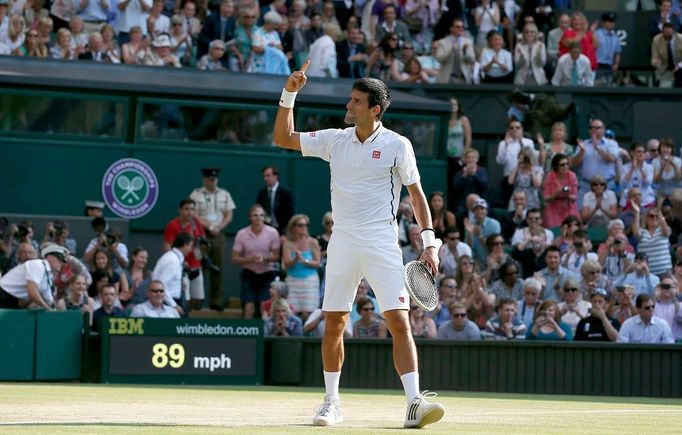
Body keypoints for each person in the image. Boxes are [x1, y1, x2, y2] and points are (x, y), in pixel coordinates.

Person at [273, 68, 445, 427]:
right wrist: (289, 93)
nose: (349, 105)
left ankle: (414, 402)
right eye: (351, 99)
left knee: (398, 321)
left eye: (356, 101)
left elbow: (416, 196)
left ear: (375, 109)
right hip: (343, 241)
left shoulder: (399, 145)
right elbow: (283, 137)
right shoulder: (335, 139)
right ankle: (331, 402)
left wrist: (430, 244)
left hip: (383, 242)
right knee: (334, 321)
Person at [190, 167, 236, 310]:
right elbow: (194, 214)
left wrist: (219, 227)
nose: (213, 182)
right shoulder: (196, 194)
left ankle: (216, 301)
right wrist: (209, 227)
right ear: (204, 180)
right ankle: (197, 300)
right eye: (210, 179)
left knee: (218, 267)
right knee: (199, 267)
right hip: (201, 234)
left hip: (219, 235)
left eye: (215, 179)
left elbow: (229, 214)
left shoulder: (225, 194)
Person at [232, 204, 281, 319]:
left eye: (261, 215)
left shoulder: (273, 232)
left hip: (267, 273)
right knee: (249, 305)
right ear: (250, 218)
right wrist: (250, 259)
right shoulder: (241, 234)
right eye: (255, 215)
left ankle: (264, 333)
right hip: (249, 273)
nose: (258, 218)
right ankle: (246, 333)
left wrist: (265, 258)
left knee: (264, 306)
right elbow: (234, 258)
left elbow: (276, 255)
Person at [0, 244, 67, 309]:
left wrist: (57, 300)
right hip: (3, 294)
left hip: (13, 301)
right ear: (49, 257)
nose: (62, 263)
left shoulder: (48, 277)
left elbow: (49, 301)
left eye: (63, 261)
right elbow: (32, 292)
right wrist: (48, 309)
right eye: (59, 259)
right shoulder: (38, 265)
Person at [571, 119, 619, 208]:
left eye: (597, 128)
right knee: (582, 214)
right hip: (586, 186)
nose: (594, 130)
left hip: (606, 186)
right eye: (591, 127)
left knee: (607, 214)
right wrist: (581, 152)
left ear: (603, 130)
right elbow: (573, 163)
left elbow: (612, 158)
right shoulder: (583, 144)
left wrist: (597, 147)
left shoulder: (611, 144)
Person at [282, 214, 321, 322]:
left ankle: (308, 337)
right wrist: (296, 259)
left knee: (308, 312)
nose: (304, 228)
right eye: (300, 225)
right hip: (292, 280)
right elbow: (287, 263)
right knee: (292, 311)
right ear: (293, 227)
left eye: (306, 225)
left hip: (309, 281)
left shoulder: (313, 242)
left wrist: (305, 261)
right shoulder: (287, 244)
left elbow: (318, 263)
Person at [152, 232, 193, 316]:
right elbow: (161, 286)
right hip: (168, 304)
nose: (191, 250)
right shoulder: (172, 261)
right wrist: (174, 305)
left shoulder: (175, 259)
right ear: (185, 245)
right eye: (190, 246)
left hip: (172, 302)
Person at [632, 206, 673, 276]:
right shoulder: (642, 232)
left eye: (657, 216)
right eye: (651, 216)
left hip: (665, 271)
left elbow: (667, 231)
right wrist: (637, 212)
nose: (654, 218)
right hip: (647, 272)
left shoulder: (662, 230)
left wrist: (660, 214)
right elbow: (636, 233)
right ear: (646, 218)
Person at [433, 18, 475, 84]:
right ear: (451, 28)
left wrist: (465, 53)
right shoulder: (443, 42)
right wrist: (451, 50)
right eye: (458, 27)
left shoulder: (468, 42)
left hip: (464, 78)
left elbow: (472, 60)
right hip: (448, 78)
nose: (460, 29)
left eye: (462, 27)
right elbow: (439, 59)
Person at [256, 165, 295, 235]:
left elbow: (290, 214)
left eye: (268, 176)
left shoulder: (286, 193)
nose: (265, 178)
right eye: (264, 176)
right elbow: (258, 210)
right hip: (265, 228)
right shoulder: (262, 193)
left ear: (276, 176)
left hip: (282, 229)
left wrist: (285, 231)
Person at [542, 153, 578, 228]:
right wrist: (556, 193)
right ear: (556, 166)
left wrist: (567, 194)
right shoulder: (550, 176)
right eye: (562, 165)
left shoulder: (572, 176)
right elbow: (546, 198)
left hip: (568, 205)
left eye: (567, 164)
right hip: (553, 206)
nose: (565, 166)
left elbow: (575, 197)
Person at [464, 198, 501, 267]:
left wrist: (480, 235)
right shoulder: (470, 225)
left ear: (486, 211)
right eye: (477, 209)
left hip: (493, 258)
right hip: (476, 260)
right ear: (473, 212)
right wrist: (469, 234)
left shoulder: (495, 224)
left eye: (482, 209)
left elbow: (494, 246)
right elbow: (468, 247)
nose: (479, 211)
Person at [619, 142, 655, 209]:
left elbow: (648, 183)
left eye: (643, 152)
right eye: (639, 152)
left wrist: (641, 168)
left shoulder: (649, 167)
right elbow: (622, 184)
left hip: (645, 201)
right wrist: (632, 169)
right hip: (628, 200)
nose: (641, 154)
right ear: (632, 153)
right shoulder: (625, 167)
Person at [451, 148, 487, 214]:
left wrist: (474, 175)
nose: (471, 160)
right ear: (465, 160)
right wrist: (465, 175)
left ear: (477, 159)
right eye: (468, 158)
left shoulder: (482, 171)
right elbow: (455, 187)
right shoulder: (460, 173)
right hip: (463, 204)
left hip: (479, 203)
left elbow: (484, 185)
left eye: (473, 157)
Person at [651, 22, 682, 88]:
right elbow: (654, 56)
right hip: (666, 68)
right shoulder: (656, 40)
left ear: (673, 31)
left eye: (669, 33)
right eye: (665, 33)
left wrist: (679, 66)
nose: (667, 35)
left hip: (680, 66)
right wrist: (656, 62)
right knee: (665, 89)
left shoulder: (681, 39)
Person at [594, 13, 621, 87]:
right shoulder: (597, 34)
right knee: (596, 86)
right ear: (604, 23)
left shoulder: (615, 37)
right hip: (598, 65)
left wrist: (616, 64)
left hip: (609, 66)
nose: (611, 24)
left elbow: (617, 52)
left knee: (609, 86)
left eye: (612, 22)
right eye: (609, 22)